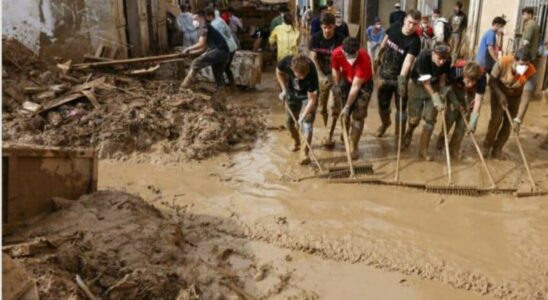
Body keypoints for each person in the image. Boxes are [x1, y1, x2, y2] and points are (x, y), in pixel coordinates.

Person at [375, 9, 422, 143]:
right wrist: (378, 56)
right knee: (382, 106)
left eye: (415, 24)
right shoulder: (395, 26)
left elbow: (407, 63)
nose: (411, 27)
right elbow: (385, 41)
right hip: (385, 75)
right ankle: (385, 124)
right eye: (410, 22)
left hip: (400, 78)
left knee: (401, 108)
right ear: (405, 20)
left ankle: (398, 136)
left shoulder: (415, 41)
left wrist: (401, 83)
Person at [483, 48, 536, 159]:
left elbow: (526, 96)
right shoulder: (503, 62)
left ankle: (497, 150)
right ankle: (486, 147)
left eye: (527, 65)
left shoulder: (531, 71)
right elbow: (491, 81)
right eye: (522, 64)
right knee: (496, 120)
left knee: (509, 125)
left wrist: (518, 120)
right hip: (499, 93)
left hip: (515, 97)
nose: (524, 68)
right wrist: (500, 94)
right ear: (515, 60)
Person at [403, 43, 451, 160]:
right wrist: (435, 98)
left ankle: (423, 150)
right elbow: (426, 83)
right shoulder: (424, 57)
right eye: (440, 58)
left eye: (444, 59)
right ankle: (409, 131)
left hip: (434, 86)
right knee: (414, 119)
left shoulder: (447, 60)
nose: (442, 62)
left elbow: (443, 78)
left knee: (430, 120)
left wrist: (442, 94)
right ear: (433, 54)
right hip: (417, 85)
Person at [329, 37, 374, 159]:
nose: (352, 59)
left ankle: (353, 144)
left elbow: (356, 86)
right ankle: (345, 134)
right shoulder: (337, 53)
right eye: (350, 56)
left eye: (354, 55)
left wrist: (348, 106)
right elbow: (336, 70)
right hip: (345, 80)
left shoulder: (364, 58)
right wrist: (337, 85)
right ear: (343, 52)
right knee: (342, 112)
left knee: (358, 115)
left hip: (364, 84)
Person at [435, 61, 486, 159]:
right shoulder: (455, 71)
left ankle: (453, 150)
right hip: (454, 91)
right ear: (463, 75)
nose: (470, 84)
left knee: (462, 126)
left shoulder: (482, 78)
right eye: (468, 81)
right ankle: (440, 142)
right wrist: (455, 102)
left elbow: (478, 100)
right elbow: (446, 88)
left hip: (470, 95)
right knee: (449, 119)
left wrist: (473, 122)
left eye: (473, 81)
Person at [276, 54, 319, 165]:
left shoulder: (312, 73)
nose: (302, 78)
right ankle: (296, 141)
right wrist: (283, 89)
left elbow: (312, 100)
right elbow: (278, 72)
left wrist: (303, 116)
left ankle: (304, 153)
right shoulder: (286, 62)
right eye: (299, 76)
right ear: (292, 69)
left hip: (307, 96)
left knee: (307, 124)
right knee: (289, 122)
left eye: (304, 75)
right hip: (292, 93)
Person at [309, 13, 344, 138]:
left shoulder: (340, 39)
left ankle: (331, 133)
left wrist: (337, 79)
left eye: (330, 27)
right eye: (325, 27)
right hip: (321, 73)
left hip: (336, 73)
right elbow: (313, 57)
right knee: (321, 108)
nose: (327, 30)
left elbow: (344, 61)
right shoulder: (315, 38)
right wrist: (320, 75)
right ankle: (325, 128)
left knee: (335, 106)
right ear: (321, 27)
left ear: (334, 26)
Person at [181, 10, 230, 90]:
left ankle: (183, 87)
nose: (194, 21)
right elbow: (203, 48)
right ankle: (221, 92)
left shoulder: (203, 26)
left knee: (196, 62)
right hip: (225, 52)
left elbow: (201, 44)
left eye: (195, 19)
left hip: (219, 51)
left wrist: (188, 48)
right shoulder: (205, 27)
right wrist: (190, 53)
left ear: (201, 18)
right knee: (217, 73)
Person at [517, 7, 541, 129]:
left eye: (524, 14)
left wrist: (520, 55)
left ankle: (519, 95)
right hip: (531, 57)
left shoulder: (530, 25)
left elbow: (526, 42)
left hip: (526, 57)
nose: (523, 17)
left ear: (529, 14)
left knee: (521, 76)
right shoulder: (536, 25)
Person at [205, 8, 238, 89]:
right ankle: (233, 87)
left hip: (225, 48)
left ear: (209, 16)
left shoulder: (213, 25)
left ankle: (221, 89)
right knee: (226, 67)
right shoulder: (220, 20)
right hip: (232, 46)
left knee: (218, 68)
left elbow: (218, 39)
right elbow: (228, 33)